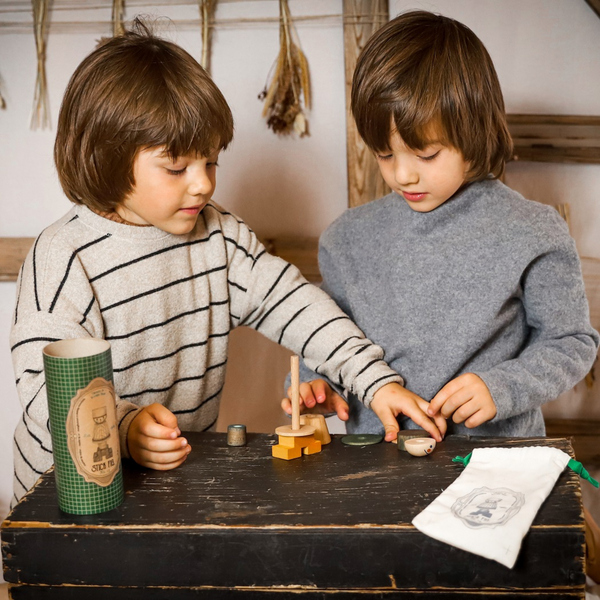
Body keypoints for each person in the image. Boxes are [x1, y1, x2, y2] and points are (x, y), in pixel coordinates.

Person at [9, 20, 446, 506]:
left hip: (168, 480)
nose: (202, 184)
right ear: (107, 158)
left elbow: (296, 305)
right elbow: (42, 389)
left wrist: (375, 381)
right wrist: (125, 426)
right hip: (60, 493)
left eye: (211, 162)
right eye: (177, 168)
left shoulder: (219, 236)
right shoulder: (63, 257)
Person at [282, 10, 599, 444]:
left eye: (425, 154)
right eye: (384, 154)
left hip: (496, 465)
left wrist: (500, 387)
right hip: (376, 466)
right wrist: (315, 378)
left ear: (473, 131)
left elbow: (571, 341)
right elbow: (324, 335)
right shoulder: (347, 238)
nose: (403, 175)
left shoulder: (532, 230)